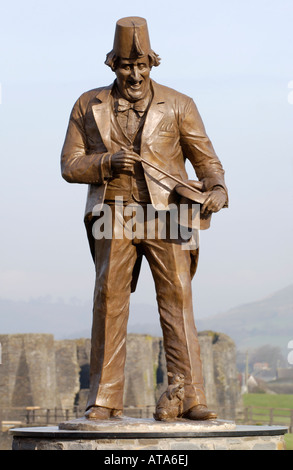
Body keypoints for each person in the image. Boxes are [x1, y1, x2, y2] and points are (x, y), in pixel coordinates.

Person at [61, 17, 228, 420]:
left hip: (169, 212)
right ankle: (103, 399)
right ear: (111, 65)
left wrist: (218, 190)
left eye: (141, 67)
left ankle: (190, 397)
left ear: (153, 64)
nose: (134, 75)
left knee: (178, 301)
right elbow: (69, 165)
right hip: (113, 211)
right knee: (109, 301)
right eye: (125, 66)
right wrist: (107, 161)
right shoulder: (88, 104)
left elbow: (207, 162)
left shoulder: (180, 103)